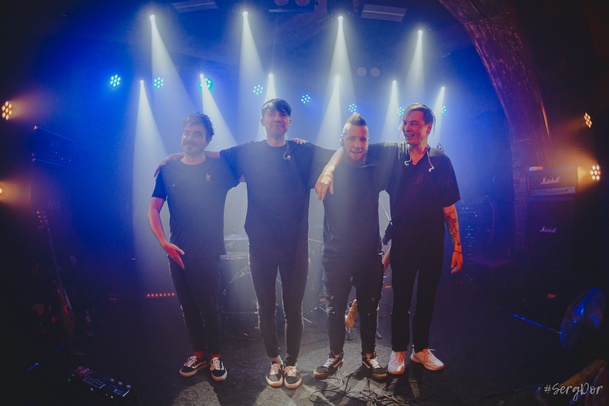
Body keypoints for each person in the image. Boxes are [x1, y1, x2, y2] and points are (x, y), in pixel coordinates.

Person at [316, 103, 463, 374]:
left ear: (429, 127)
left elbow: (449, 208)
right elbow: (351, 145)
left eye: (414, 123)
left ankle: (420, 350)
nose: (407, 127)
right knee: (401, 301)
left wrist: (458, 246)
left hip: (433, 243)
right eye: (405, 122)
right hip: (402, 242)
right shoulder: (393, 153)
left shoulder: (441, 161)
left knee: (427, 300)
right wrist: (328, 168)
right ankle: (398, 351)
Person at [219, 99, 333, 389]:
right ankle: (274, 361)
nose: (277, 118)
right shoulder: (249, 152)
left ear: (289, 122)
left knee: (294, 308)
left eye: (283, 114)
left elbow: (342, 152)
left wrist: (329, 169)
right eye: (271, 114)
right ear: (263, 121)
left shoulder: (302, 150)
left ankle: (291, 363)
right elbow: (213, 157)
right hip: (261, 244)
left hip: (295, 245)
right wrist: (177, 157)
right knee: (265, 308)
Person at [148, 113, 238, 381]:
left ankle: (216, 357)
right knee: (188, 308)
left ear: (207, 140)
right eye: (187, 132)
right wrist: (164, 243)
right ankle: (199, 356)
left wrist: (202, 155)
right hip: (177, 252)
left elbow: (246, 167)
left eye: (198, 134)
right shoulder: (168, 170)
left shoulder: (220, 170)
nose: (190, 138)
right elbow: (153, 209)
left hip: (207, 251)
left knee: (210, 307)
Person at [313, 113, 388, 381]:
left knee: (369, 308)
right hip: (336, 253)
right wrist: (330, 167)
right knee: (334, 309)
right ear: (341, 140)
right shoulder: (325, 165)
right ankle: (335, 356)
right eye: (352, 138)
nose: (358, 144)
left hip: (369, 253)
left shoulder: (376, 166)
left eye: (363, 139)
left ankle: (369, 356)